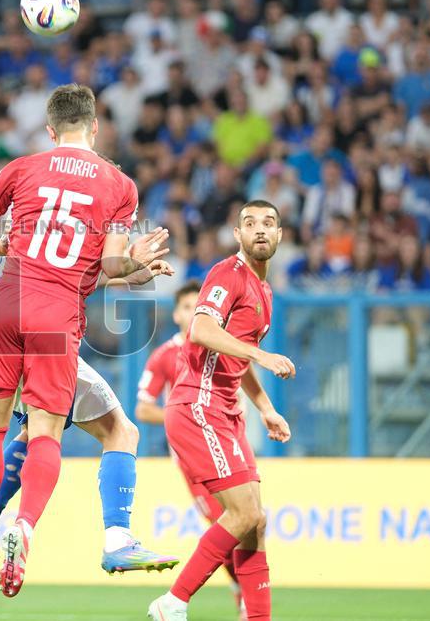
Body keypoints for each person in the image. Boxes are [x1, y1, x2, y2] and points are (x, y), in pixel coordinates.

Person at [0, 83, 172, 597]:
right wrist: (135, 264)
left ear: (50, 130)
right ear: (95, 127)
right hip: (55, 314)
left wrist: (8, 247)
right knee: (47, 432)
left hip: (4, 302)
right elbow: (109, 265)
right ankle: (25, 528)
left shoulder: (21, 168)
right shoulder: (118, 184)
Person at [149, 201, 295, 621]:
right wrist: (261, 355)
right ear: (238, 235)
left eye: (268, 223)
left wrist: (265, 408)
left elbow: (236, 358)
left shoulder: (264, 291)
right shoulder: (228, 273)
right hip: (199, 403)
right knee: (244, 512)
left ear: (280, 235)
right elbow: (201, 329)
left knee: (256, 522)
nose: (260, 230)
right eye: (250, 223)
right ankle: (173, 602)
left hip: (228, 412)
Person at [0, 351, 179, 576]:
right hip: (51, 346)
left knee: (29, 431)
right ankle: (117, 541)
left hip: (1, 349)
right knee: (121, 432)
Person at [135, 281, 247, 620]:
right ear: (176, 314)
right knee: (229, 520)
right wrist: (185, 415)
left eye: (198, 306)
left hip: (226, 443)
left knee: (246, 519)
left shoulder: (222, 347)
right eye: (186, 307)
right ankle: (240, 593)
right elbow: (143, 409)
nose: (193, 312)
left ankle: (243, 593)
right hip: (193, 452)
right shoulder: (165, 355)